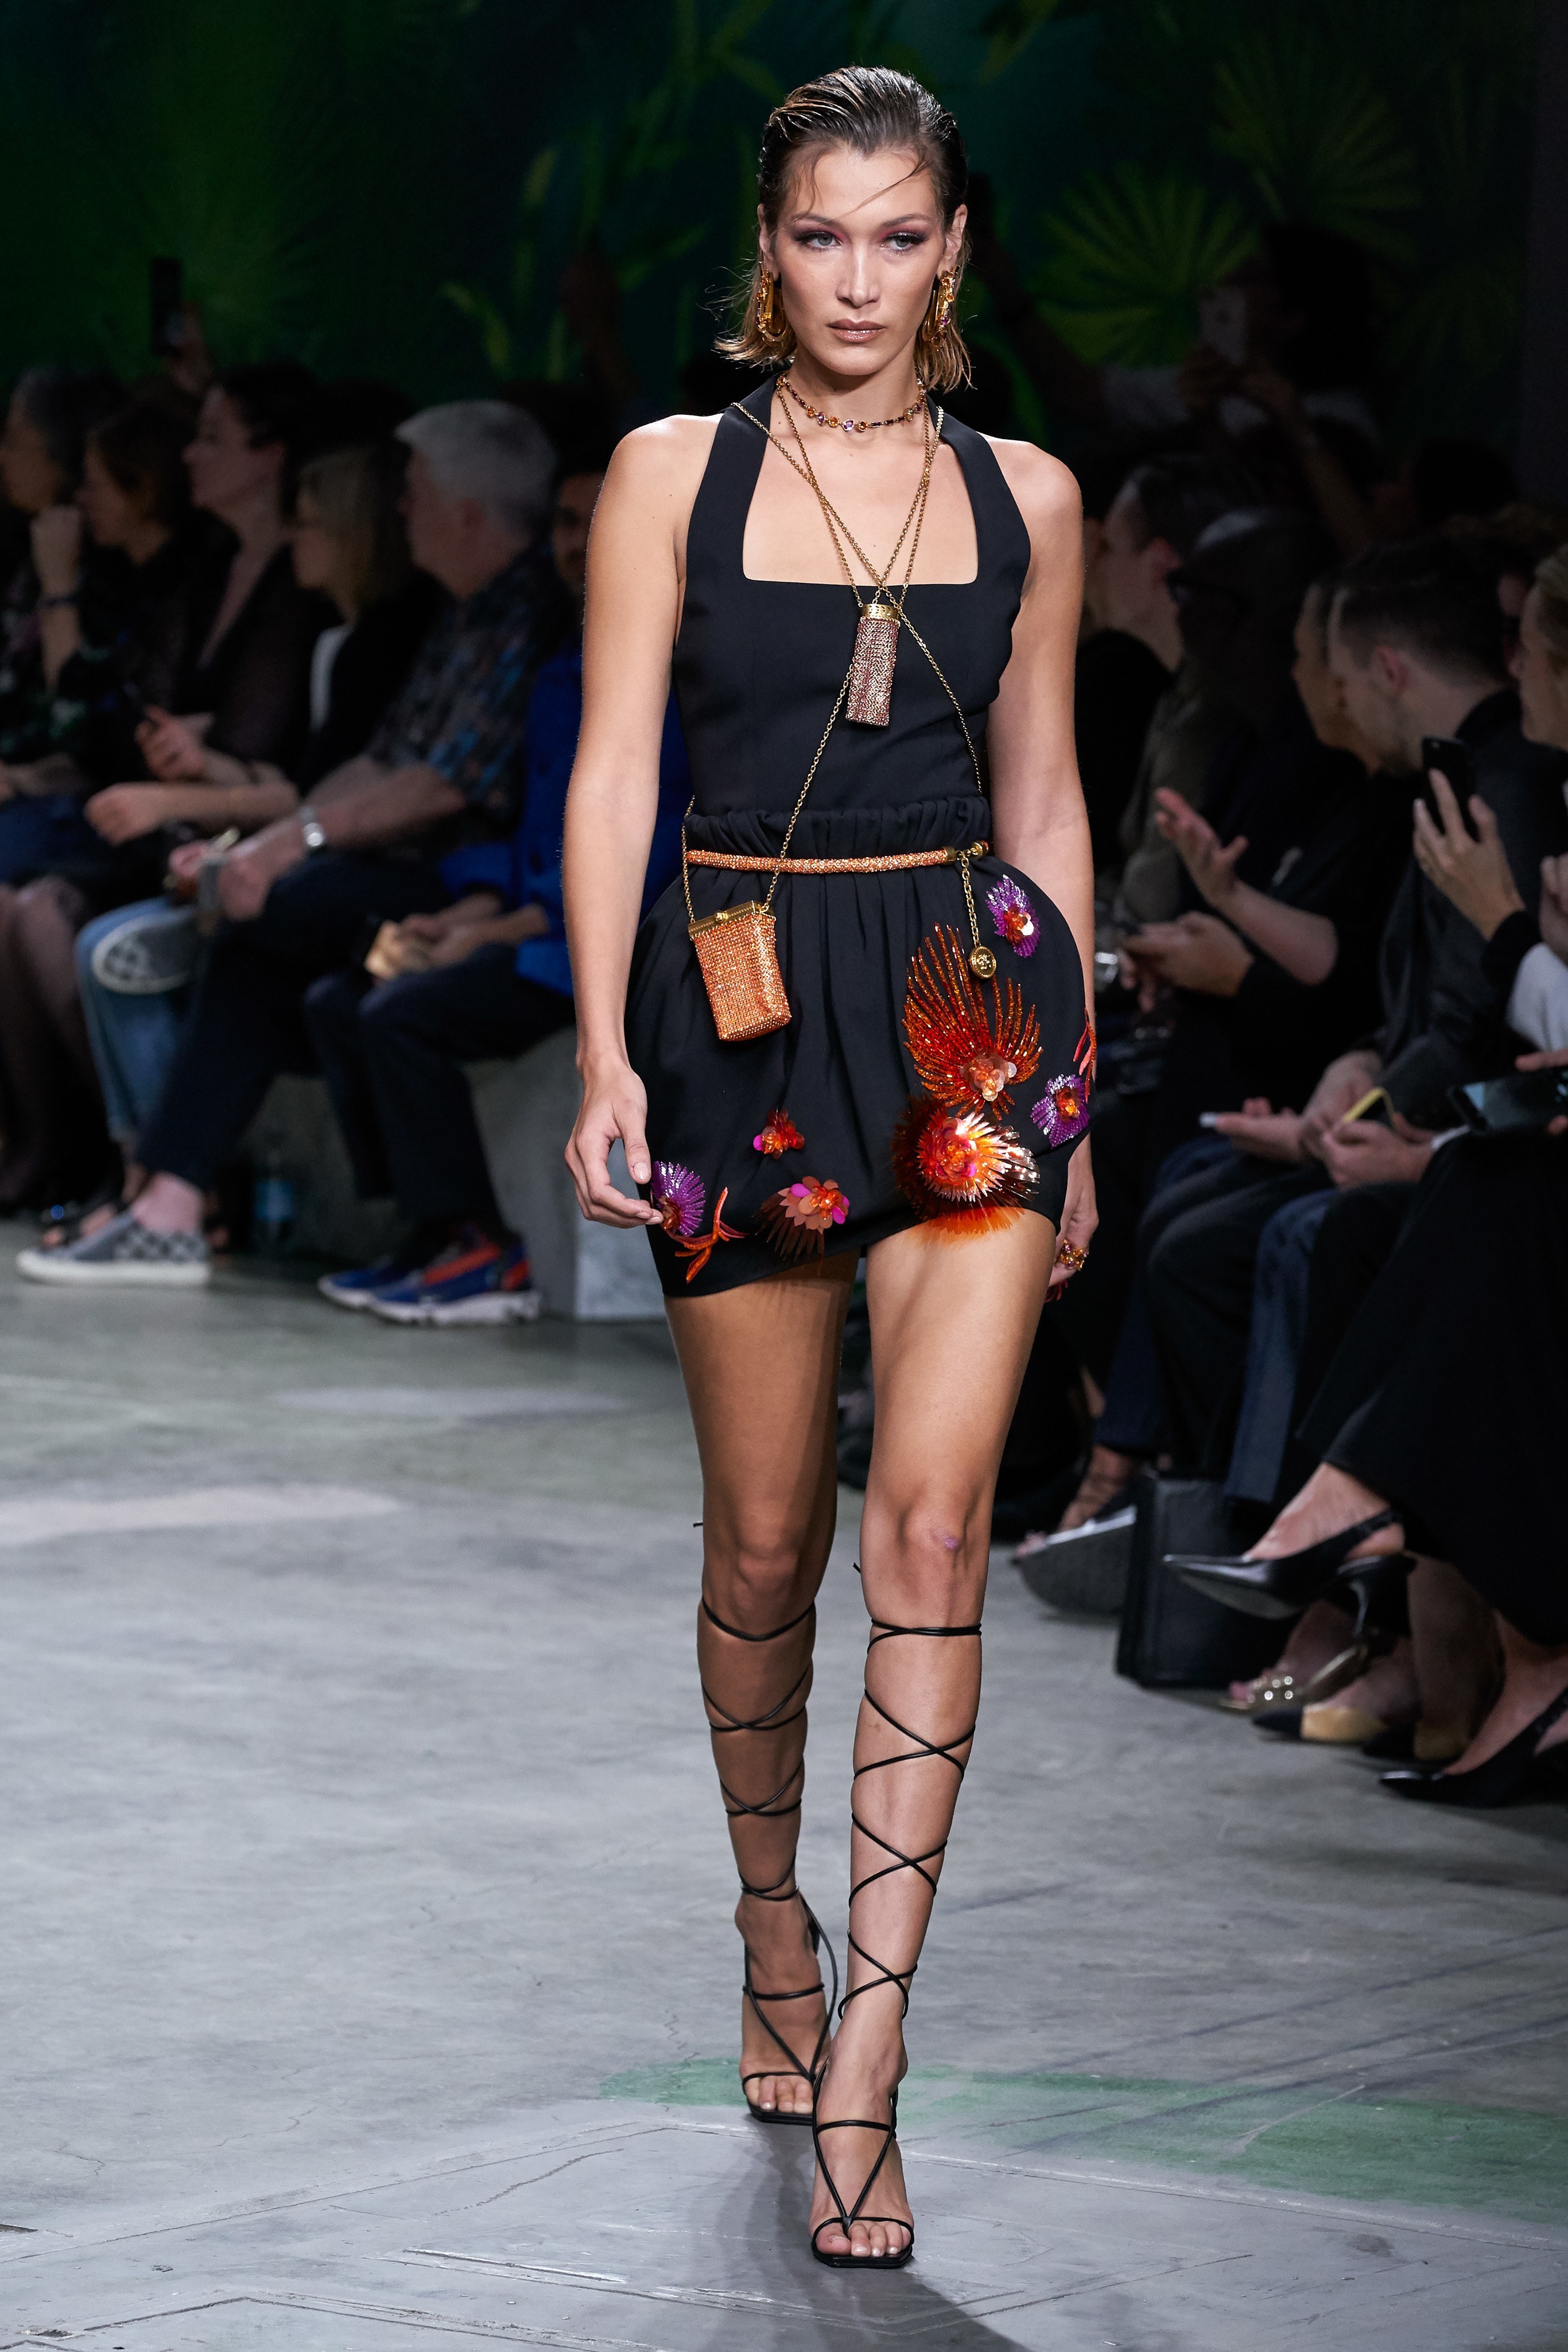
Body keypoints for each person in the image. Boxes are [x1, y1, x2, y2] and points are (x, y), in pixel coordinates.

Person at [562, 67, 1095, 2268]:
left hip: (971, 1011)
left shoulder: (1028, 496)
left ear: (952, 249)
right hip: (742, 1004)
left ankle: (871, 2054)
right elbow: (613, 767)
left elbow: (1047, 799)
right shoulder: (668, 475)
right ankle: (770, 1917)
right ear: (766, 248)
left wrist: (1080, 1094)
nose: (856, 279)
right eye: (817, 234)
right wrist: (605, 1042)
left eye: (896, 234)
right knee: (769, 1539)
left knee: (932, 1523)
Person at [22, 401, 564, 1287]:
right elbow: (380, 760)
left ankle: (169, 1199)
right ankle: (167, 1200)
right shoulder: (464, 613)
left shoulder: (525, 611)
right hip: (414, 869)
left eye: (415, 492)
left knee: (276, 924)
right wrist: (268, 847)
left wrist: (283, 848)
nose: (399, 509)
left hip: (484, 884)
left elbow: (442, 785)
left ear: (467, 514)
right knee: (267, 947)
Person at [306, 453, 688, 1325]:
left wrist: (499, 930)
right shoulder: (560, 664)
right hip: (537, 928)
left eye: (598, 522)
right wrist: (467, 910)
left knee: (400, 1017)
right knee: (340, 997)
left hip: (616, 949)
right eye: (565, 523)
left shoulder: (680, 671)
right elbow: (529, 835)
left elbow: (645, 854)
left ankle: (482, 1246)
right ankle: (434, 1230)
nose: (577, 544)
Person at [48, 438, 440, 1240]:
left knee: (139, 952)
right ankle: (147, 1186)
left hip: (359, 868)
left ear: (353, 532)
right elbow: (319, 781)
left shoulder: (380, 645)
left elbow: (337, 791)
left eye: (310, 522)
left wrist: (204, 818)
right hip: (301, 852)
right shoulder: (340, 639)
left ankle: (162, 1191)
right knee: (125, 950)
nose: (294, 539)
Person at [1093, 455, 1256, 921]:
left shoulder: (1209, 715)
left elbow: (1147, 910)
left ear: (1160, 564)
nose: (1093, 565)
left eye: (1109, 547)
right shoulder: (1181, 694)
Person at [0, 365, 125, 875]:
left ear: (62, 459)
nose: (2, 456)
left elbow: (78, 735)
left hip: (67, 806)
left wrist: (59, 590)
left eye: (15, 441)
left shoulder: (105, 575)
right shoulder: (24, 550)